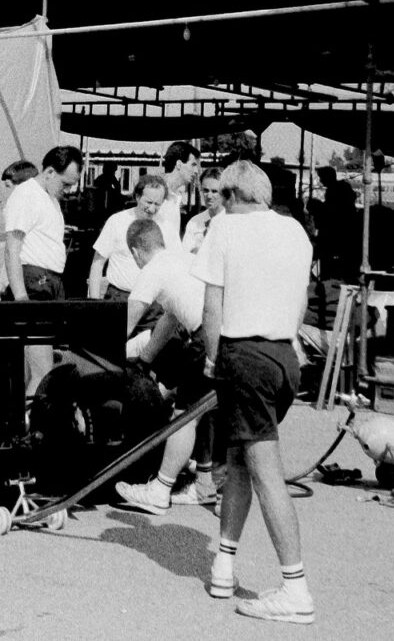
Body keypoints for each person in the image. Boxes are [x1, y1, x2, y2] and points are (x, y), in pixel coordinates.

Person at [191, 160, 316, 623]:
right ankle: (224, 563)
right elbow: (300, 301)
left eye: (220, 195)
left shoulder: (223, 228)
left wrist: (211, 357)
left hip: (244, 354)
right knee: (239, 458)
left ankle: (295, 588)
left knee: (265, 470)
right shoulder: (295, 232)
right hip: (284, 357)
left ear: (230, 195)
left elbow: (212, 304)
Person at [114, 219, 219, 513]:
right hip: (223, 331)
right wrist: (145, 359)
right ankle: (205, 485)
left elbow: (130, 317)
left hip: (205, 335)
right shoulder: (184, 260)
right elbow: (169, 319)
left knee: (184, 414)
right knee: (205, 410)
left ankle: (160, 489)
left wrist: (105, 355)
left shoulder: (152, 270)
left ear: (136, 252)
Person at [2, 145, 82, 395]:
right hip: (34, 284)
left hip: (49, 284)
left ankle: (29, 421)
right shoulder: (27, 195)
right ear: (49, 172)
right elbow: (12, 248)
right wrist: (21, 297)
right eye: (65, 184)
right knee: (43, 370)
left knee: (41, 368)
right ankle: (31, 427)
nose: (67, 191)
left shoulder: (50, 198)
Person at [89, 173, 169, 301]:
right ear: (137, 197)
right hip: (120, 298)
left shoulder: (166, 226)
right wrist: (94, 302)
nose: (152, 209)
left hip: (154, 302)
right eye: (148, 202)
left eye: (157, 204)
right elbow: (97, 264)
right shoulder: (116, 221)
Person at [159, 141, 200, 247]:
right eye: (193, 165)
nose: (196, 171)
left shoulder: (175, 197)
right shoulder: (156, 192)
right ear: (179, 164)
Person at [183, 167, 225, 254]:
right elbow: (185, 255)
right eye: (205, 190)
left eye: (214, 191)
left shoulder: (231, 221)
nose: (209, 196)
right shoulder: (194, 222)